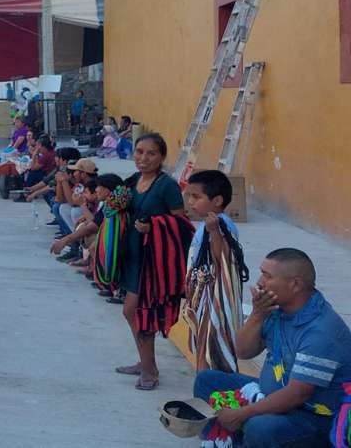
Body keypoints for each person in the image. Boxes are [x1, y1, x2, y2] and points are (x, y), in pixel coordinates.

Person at [193, 248, 351, 446]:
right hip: (272, 394)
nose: (259, 282)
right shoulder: (277, 309)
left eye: (267, 276)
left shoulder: (321, 330)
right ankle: (221, 441)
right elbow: (243, 351)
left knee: (260, 427)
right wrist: (258, 315)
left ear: (295, 284)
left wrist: (240, 414)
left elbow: (298, 394)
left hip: (314, 416)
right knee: (207, 381)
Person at [116, 132, 187, 391]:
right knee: (132, 313)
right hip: (133, 257)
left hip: (154, 262)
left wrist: (154, 226)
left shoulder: (167, 186)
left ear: (162, 157)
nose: (143, 158)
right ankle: (147, 363)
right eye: (139, 152)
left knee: (138, 315)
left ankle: (149, 372)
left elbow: (182, 224)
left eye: (151, 153)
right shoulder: (133, 180)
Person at [183, 170, 248, 373]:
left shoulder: (220, 224)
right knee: (203, 343)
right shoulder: (207, 223)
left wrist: (214, 232)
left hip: (214, 296)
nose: (191, 202)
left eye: (196, 196)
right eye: (189, 196)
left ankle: (205, 389)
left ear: (217, 200)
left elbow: (222, 260)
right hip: (204, 294)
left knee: (209, 344)